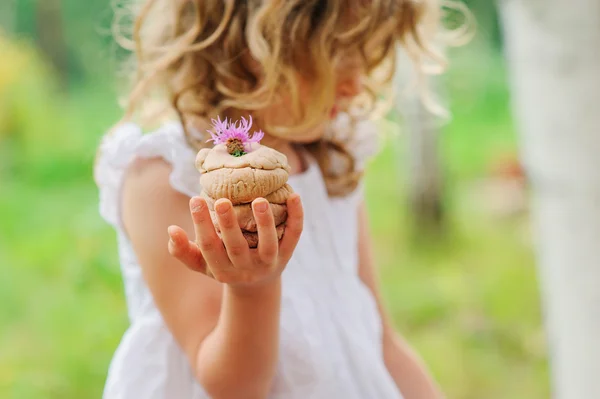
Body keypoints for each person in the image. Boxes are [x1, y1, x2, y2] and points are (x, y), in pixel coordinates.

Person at [95, 1, 460, 398]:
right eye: (337, 53)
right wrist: (253, 289)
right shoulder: (167, 177)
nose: (356, 83)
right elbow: (233, 387)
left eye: (366, 52)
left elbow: (381, 340)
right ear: (253, 45)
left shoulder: (330, 161)